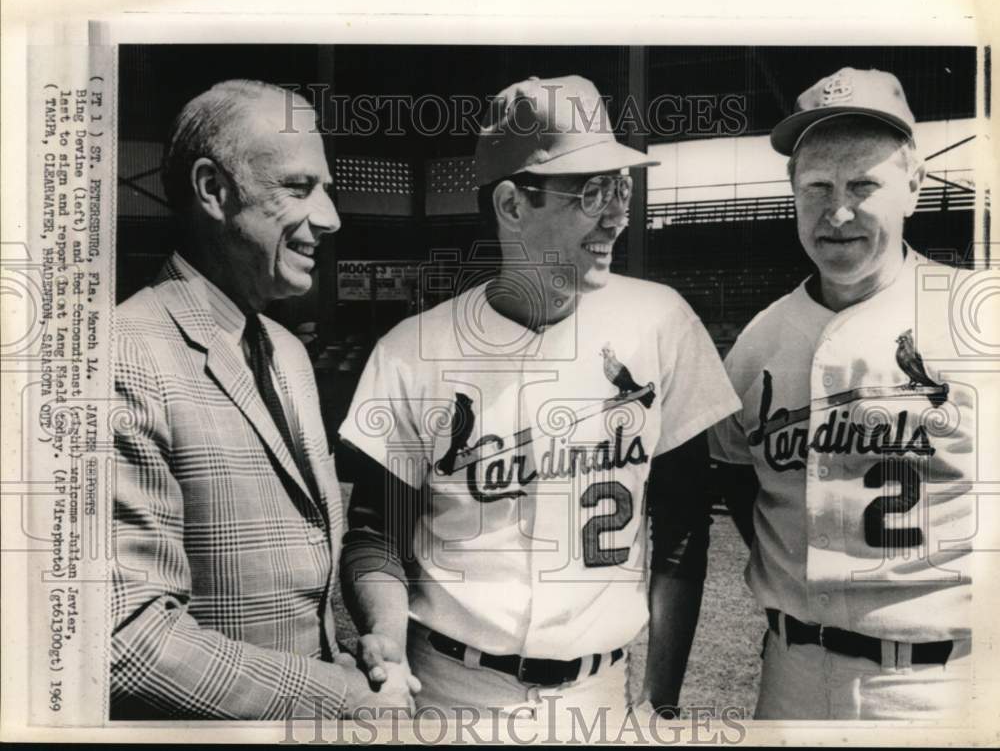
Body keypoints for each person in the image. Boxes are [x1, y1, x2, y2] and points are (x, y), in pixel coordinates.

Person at [338, 75, 740, 723]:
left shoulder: (661, 321)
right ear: (511, 204)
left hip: (600, 694)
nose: (616, 216)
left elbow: (682, 524)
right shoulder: (413, 350)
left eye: (620, 188)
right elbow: (375, 532)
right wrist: (385, 633)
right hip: (454, 693)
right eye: (590, 193)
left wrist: (660, 702)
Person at [110, 80, 416, 719]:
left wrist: (364, 647)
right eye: (299, 188)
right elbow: (127, 640)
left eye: (325, 189)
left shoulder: (288, 353)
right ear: (212, 190)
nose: (330, 217)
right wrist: (337, 695)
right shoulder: (122, 353)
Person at [709, 68, 976, 720]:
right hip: (792, 674)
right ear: (792, 191)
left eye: (863, 185)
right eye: (817, 188)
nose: (838, 213)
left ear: (914, 186)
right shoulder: (760, 340)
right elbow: (740, 479)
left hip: (940, 686)